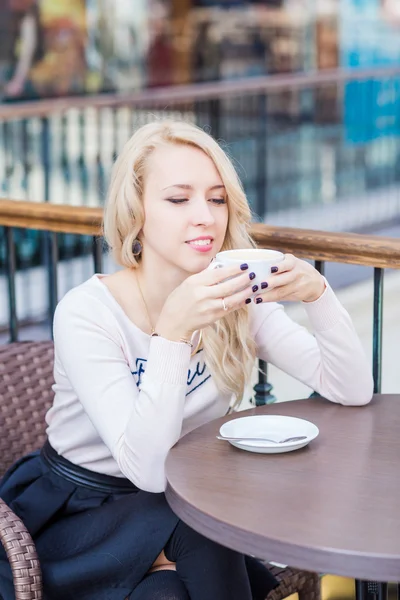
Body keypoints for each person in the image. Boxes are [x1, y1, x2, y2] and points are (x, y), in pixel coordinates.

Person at [0, 120, 373, 600]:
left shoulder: (235, 297)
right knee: (200, 528)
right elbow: (148, 470)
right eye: (179, 199)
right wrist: (172, 336)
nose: (206, 217)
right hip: (77, 512)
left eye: (217, 199)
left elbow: (351, 389)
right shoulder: (87, 312)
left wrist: (319, 295)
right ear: (137, 214)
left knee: (170, 589)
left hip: (178, 502)